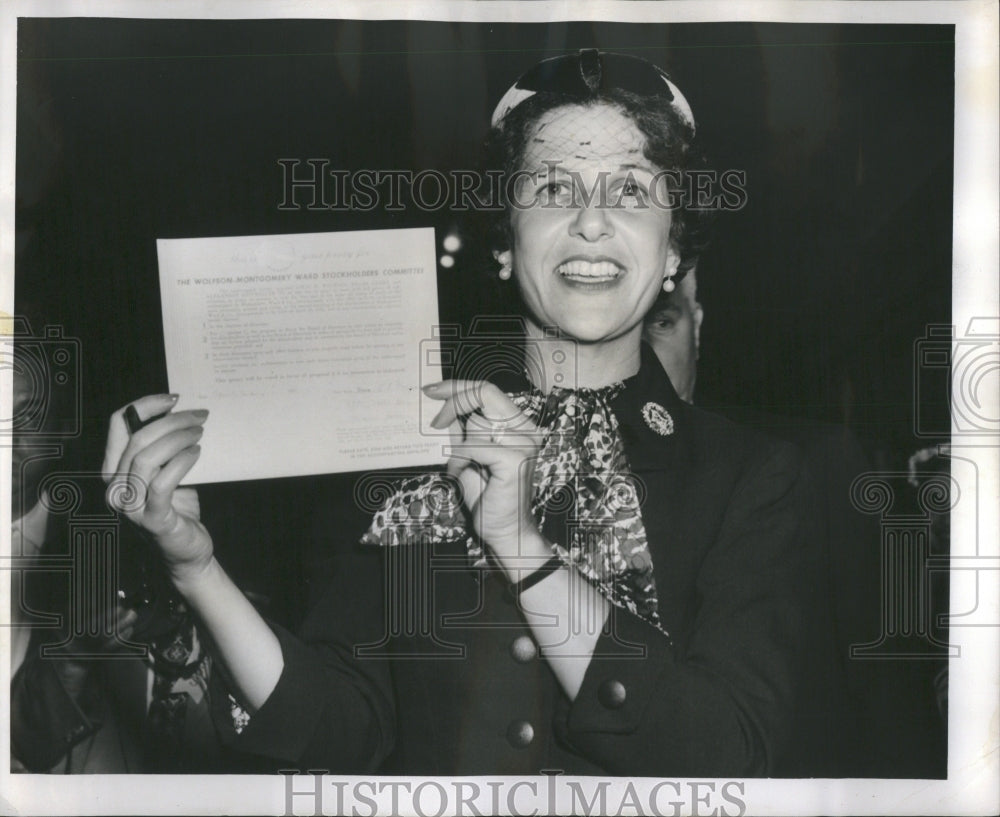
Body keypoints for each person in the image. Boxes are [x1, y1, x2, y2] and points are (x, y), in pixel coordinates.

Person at [103, 50, 840, 776]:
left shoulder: (754, 478)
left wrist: (520, 545)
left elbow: (724, 754)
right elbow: (337, 730)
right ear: (503, 235)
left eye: (631, 192)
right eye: (553, 188)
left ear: (675, 244)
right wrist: (196, 567)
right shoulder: (412, 451)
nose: (590, 222)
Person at [642, 278, 948, 777]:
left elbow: (893, 708)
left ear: (696, 323)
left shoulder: (816, 467)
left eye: (659, 323)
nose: (638, 359)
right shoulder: (524, 488)